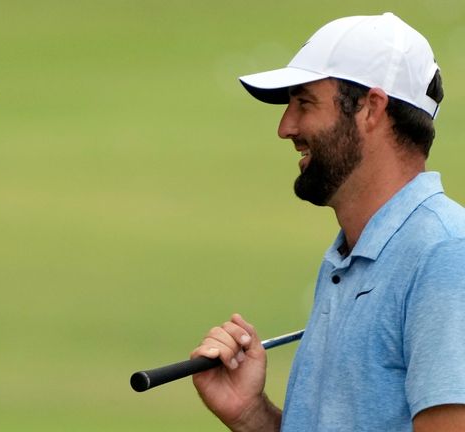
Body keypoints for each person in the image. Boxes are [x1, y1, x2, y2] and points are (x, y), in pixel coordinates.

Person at [190, 13, 465, 431]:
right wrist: (253, 416)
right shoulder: (349, 259)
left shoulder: (446, 254)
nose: (286, 127)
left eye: (304, 102)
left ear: (372, 108)